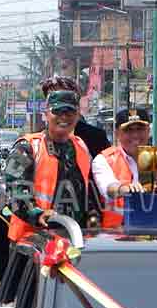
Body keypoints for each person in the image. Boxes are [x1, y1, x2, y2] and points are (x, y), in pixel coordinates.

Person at [5, 76, 95, 241]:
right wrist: (37, 214)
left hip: (74, 240)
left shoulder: (81, 146)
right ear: (46, 114)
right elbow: (15, 193)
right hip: (32, 243)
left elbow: (89, 193)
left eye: (70, 112)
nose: (64, 117)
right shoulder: (26, 147)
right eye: (58, 111)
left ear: (77, 115)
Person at [92, 107, 157, 228]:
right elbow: (108, 188)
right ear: (117, 133)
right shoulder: (104, 159)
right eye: (128, 130)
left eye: (140, 129)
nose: (135, 135)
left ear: (148, 131)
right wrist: (126, 189)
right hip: (116, 236)